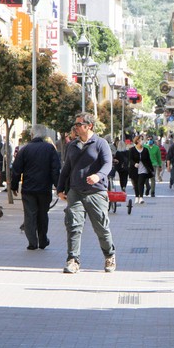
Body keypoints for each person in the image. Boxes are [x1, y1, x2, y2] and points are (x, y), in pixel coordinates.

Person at [56, 113, 116, 274]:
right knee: (73, 225)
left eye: (78, 124)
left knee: (101, 228)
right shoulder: (72, 145)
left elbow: (107, 164)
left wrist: (98, 175)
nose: (75, 127)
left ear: (88, 126)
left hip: (96, 192)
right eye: (75, 124)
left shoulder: (100, 143)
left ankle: (109, 256)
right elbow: (66, 168)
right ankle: (73, 260)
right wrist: (60, 189)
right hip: (75, 191)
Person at [11, 131, 61, 250]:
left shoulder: (25, 149)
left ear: (32, 135)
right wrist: (58, 186)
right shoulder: (50, 148)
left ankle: (32, 242)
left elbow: (16, 169)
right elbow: (55, 169)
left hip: (28, 189)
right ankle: (43, 240)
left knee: (30, 215)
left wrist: (13, 186)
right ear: (43, 136)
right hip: (45, 188)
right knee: (43, 214)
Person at [129, 135, 154, 204]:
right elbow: (130, 159)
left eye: (143, 139)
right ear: (137, 141)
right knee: (136, 184)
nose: (143, 141)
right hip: (134, 169)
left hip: (143, 169)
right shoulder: (132, 150)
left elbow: (148, 160)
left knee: (141, 183)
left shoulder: (145, 150)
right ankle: (137, 196)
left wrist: (151, 169)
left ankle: (141, 197)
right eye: (141, 139)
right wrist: (134, 164)